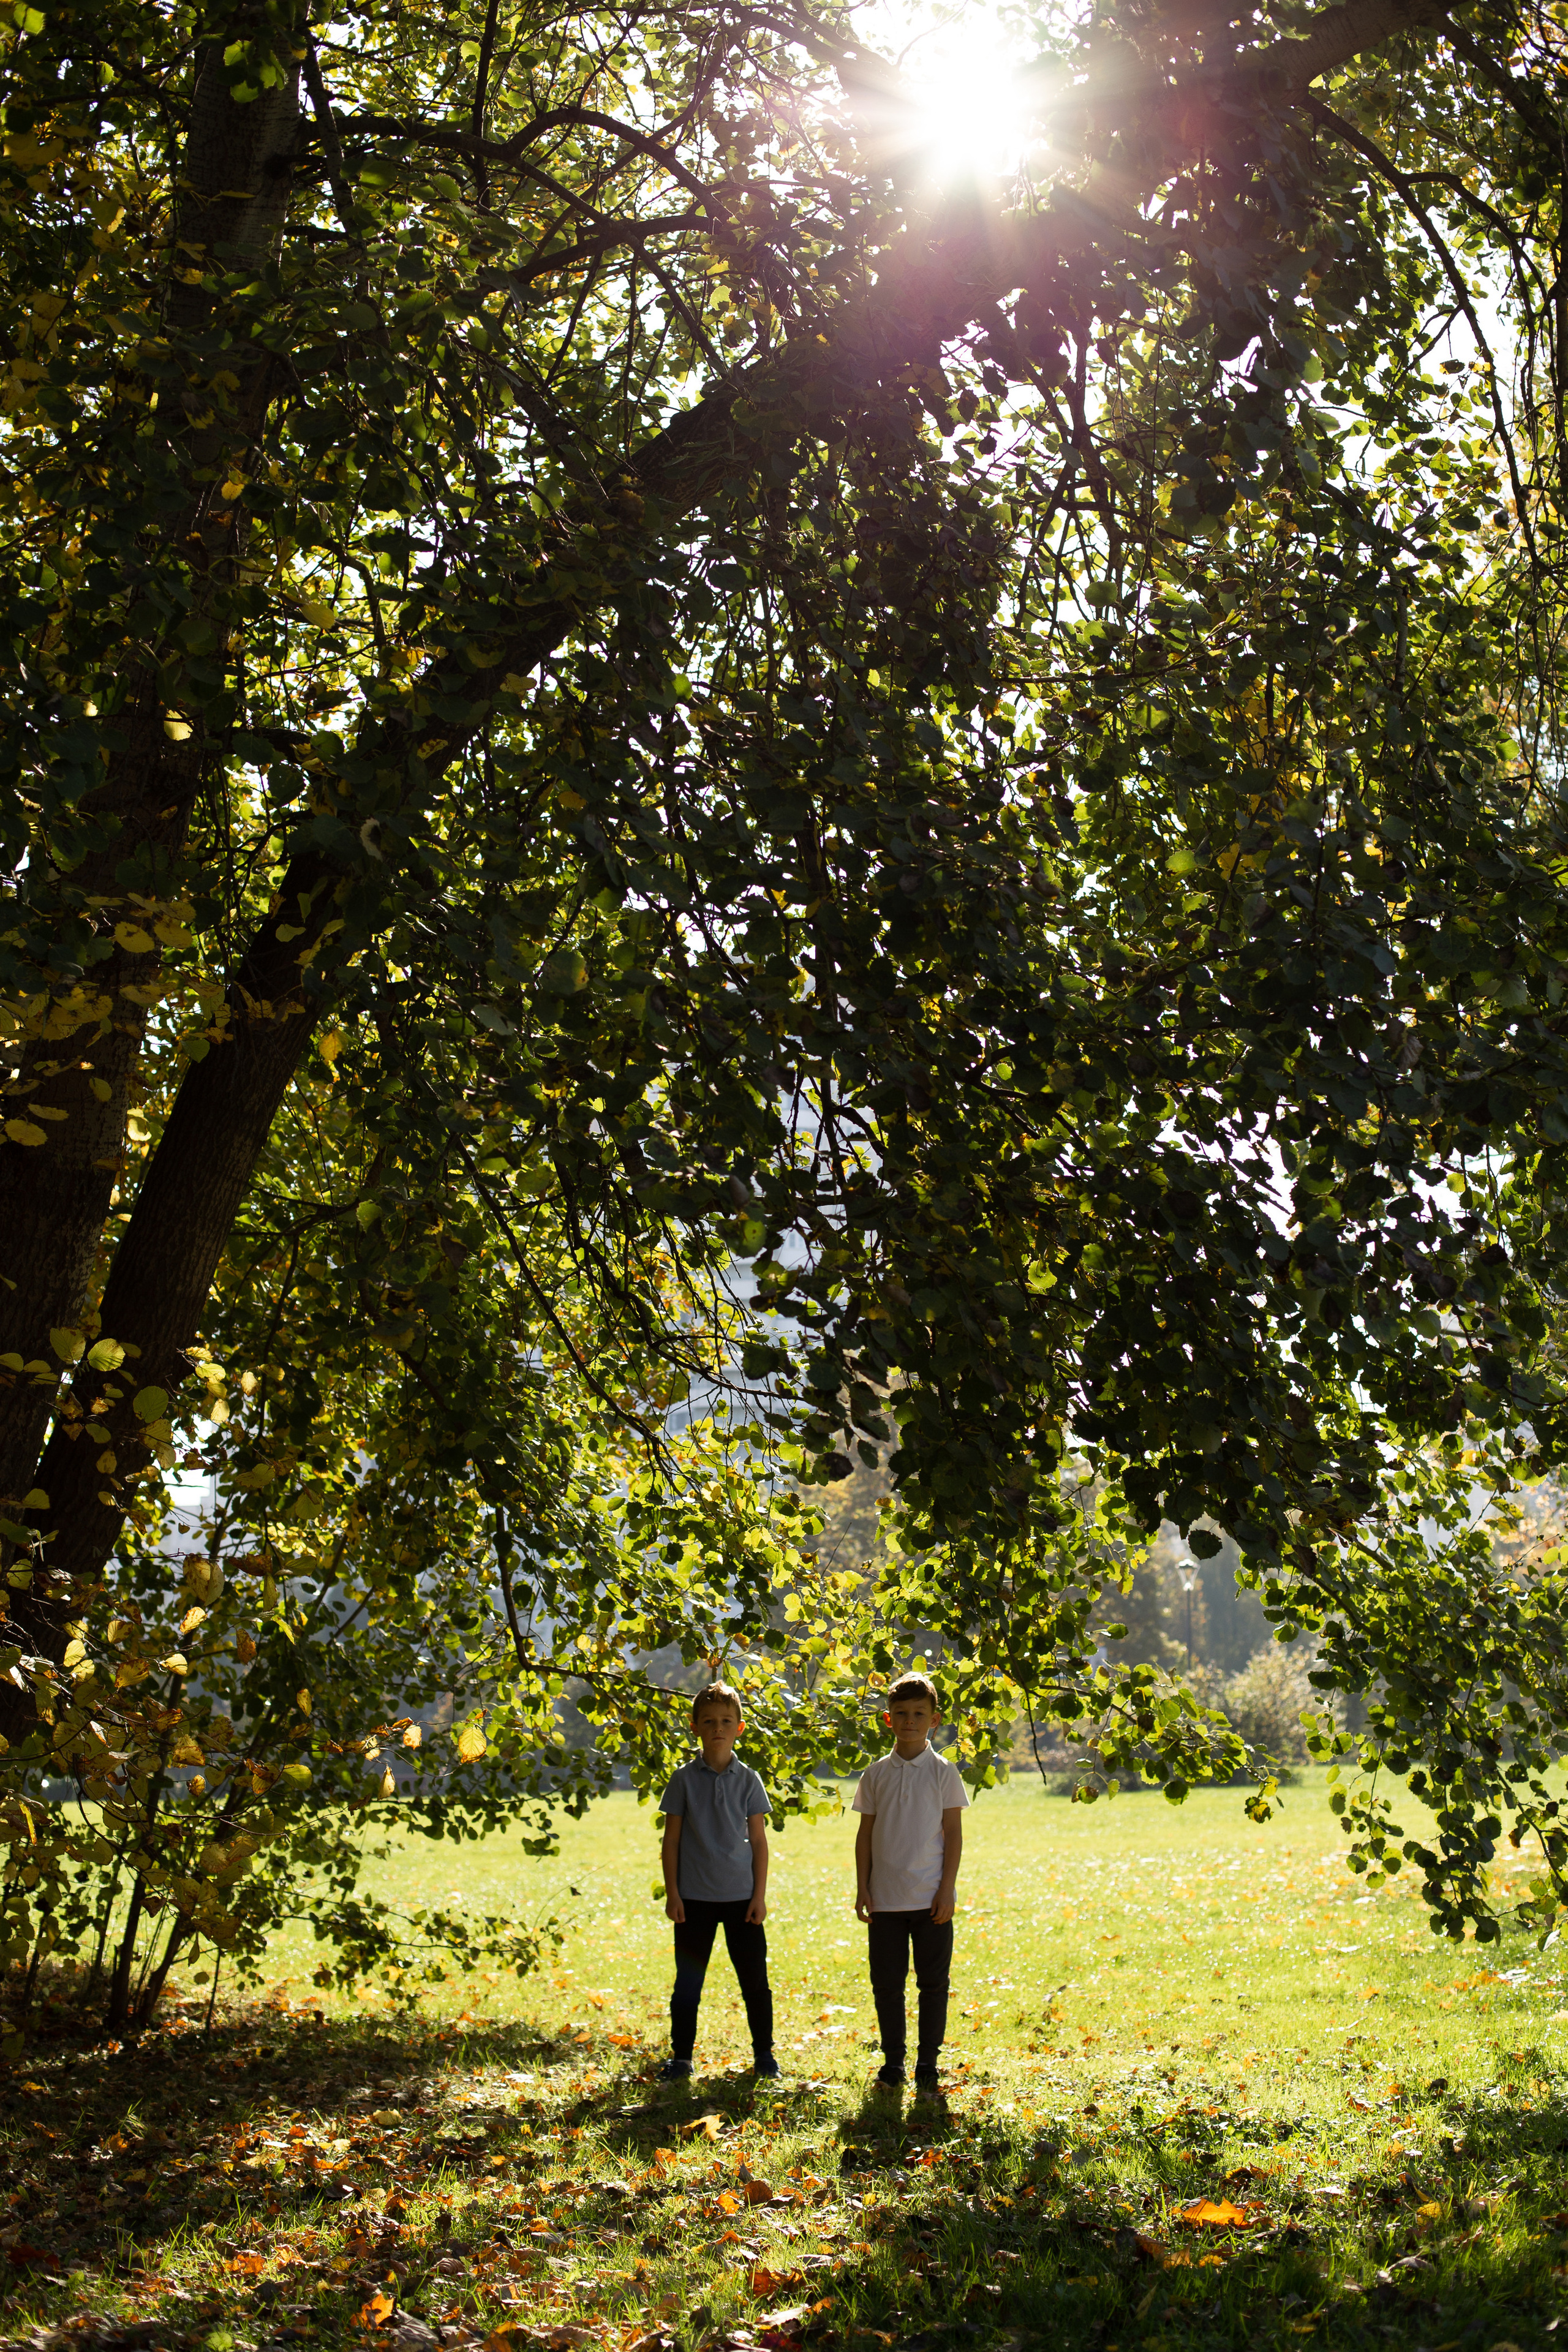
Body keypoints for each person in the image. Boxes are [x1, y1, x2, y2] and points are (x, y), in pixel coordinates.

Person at [853, 1672, 969, 2092]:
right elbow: (865, 1835)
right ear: (888, 1720)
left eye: (919, 1713)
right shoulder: (876, 1775)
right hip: (885, 1900)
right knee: (887, 1985)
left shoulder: (943, 1773)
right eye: (901, 1713)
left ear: (934, 1720)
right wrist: (863, 1887)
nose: (910, 1721)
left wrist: (947, 1889)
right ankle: (894, 2062)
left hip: (930, 1901)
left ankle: (928, 2063)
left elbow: (953, 1834)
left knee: (933, 1984)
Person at [657, 1681, 779, 2082]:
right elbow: (671, 1840)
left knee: (755, 1983)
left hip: (742, 1899)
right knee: (688, 1984)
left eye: (727, 1721)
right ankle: (682, 2058)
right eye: (709, 1721)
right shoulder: (682, 1780)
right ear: (695, 1727)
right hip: (693, 1900)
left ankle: (765, 2056)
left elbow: (760, 1842)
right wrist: (673, 1893)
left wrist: (759, 1896)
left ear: (740, 1727)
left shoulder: (749, 1780)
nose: (718, 1728)